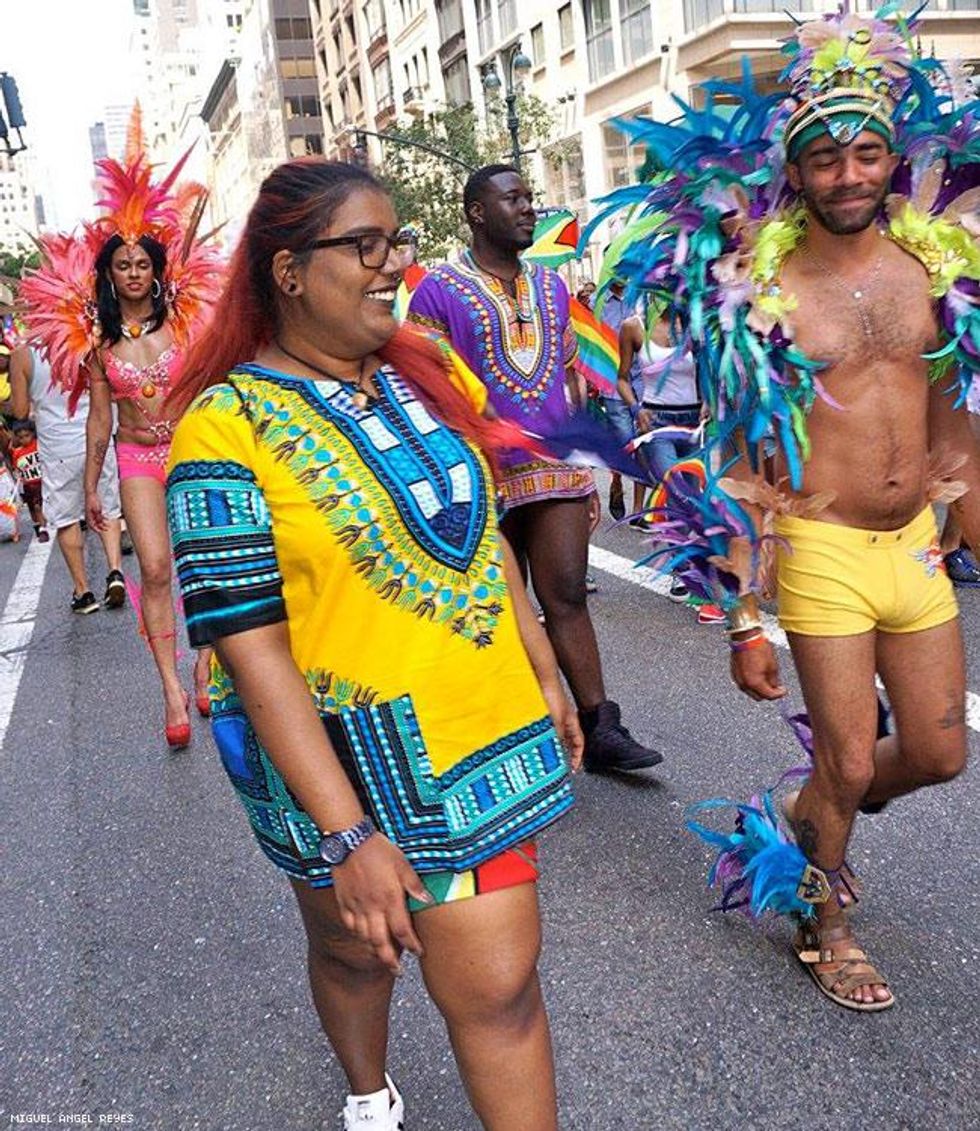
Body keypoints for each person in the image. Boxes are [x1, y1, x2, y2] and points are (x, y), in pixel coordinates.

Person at [165, 158, 582, 1131]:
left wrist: (543, 666)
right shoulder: (222, 430)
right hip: (332, 761)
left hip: (478, 733)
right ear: (287, 271)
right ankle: (366, 1090)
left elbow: (483, 538)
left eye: (396, 240)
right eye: (364, 245)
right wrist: (347, 833)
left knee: (501, 994)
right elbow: (249, 641)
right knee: (353, 950)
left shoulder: (429, 370)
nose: (391, 263)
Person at [601, 8, 979, 1010]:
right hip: (814, 545)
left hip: (913, 545)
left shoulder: (933, 266)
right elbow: (736, 457)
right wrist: (742, 612)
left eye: (864, 153)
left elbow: (957, 420)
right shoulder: (758, 294)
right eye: (823, 159)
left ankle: (811, 807)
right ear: (793, 171)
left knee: (938, 752)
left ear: (887, 155)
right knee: (851, 754)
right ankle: (825, 916)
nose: (847, 175)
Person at [409, 164, 661, 774]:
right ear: (476, 212)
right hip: (479, 473)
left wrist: (585, 467)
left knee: (568, 593)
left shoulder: (550, 287)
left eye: (530, 197)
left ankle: (602, 726)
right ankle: (519, 732)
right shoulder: (437, 291)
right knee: (497, 608)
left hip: (553, 468)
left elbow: (570, 378)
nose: (529, 208)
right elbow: (421, 383)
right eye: (513, 199)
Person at [20, 128, 220, 749]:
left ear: (156, 271)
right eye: (122, 264)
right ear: (108, 273)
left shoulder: (185, 323)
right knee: (155, 569)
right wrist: (89, 488)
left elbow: (209, 388)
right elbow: (100, 420)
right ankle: (169, 688)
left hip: (189, 450)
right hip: (136, 457)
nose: (133, 272)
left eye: (142, 263)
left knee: (204, 564)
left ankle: (207, 663)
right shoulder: (99, 341)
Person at [616, 315, 725, 624]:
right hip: (657, 426)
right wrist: (637, 409)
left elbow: (710, 375)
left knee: (694, 499)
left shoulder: (697, 325)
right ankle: (695, 582)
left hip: (693, 426)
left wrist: (708, 400)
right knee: (678, 497)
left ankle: (688, 567)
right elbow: (622, 378)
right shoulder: (634, 326)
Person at [9, 345, 125, 613]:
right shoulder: (88, 341)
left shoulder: (24, 354)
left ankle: (83, 591)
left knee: (66, 518)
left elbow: (20, 411)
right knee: (107, 507)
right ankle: (115, 571)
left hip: (58, 446)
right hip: (99, 438)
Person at [8, 418, 48, 542]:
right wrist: (19, 473)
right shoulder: (17, 453)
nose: (24, 439)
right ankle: (38, 526)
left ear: (33, 434)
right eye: (20, 437)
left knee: (38, 506)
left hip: (42, 481)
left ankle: (43, 529)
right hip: (29, 484)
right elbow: (17, 469)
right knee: (32, 507)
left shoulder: (38, 445)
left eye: (27, 435)